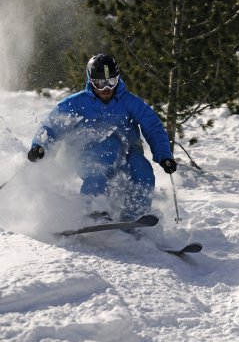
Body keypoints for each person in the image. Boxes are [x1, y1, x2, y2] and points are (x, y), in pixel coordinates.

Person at [28, 53, 177, 221]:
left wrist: (164, 156)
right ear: (91, 81)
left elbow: (153, 127)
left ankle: (134, 216)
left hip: (128, 149)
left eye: (111, 82)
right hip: (90, 151)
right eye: (100, 83)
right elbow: (52, 126)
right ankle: (93, 209)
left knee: (142, 169)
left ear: (118, 79)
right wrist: (40, 146)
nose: (106, 88)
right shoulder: (76, 103)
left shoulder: (129, 102)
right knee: (106, 154)